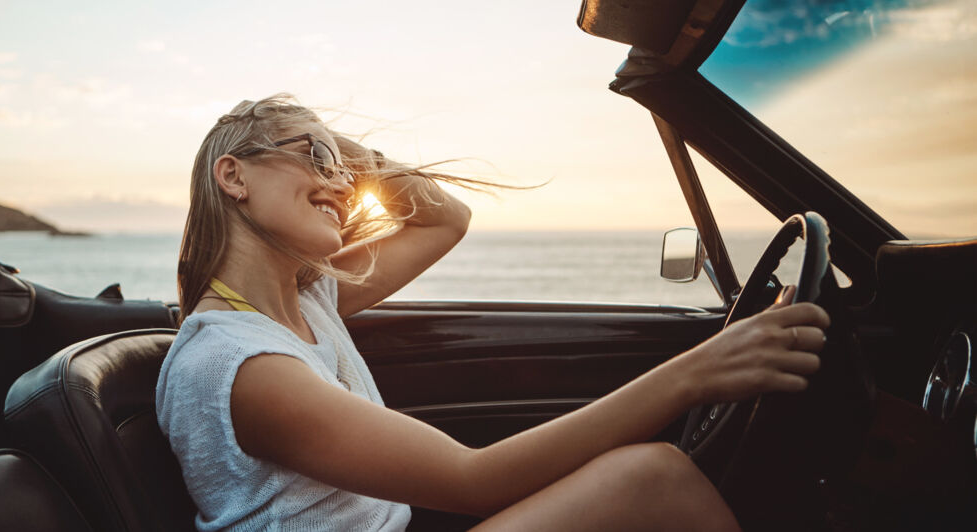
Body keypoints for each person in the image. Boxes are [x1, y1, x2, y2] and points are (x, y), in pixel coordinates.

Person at [155, 94, 830, 531]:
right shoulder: (237, 364)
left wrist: (332, 147)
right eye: (316, 159)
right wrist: (694, 373)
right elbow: (471, 479)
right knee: (651, 480)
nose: (339, 181)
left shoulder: (307, 300)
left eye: (339, 166)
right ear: (233, 177)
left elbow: (444, 220)